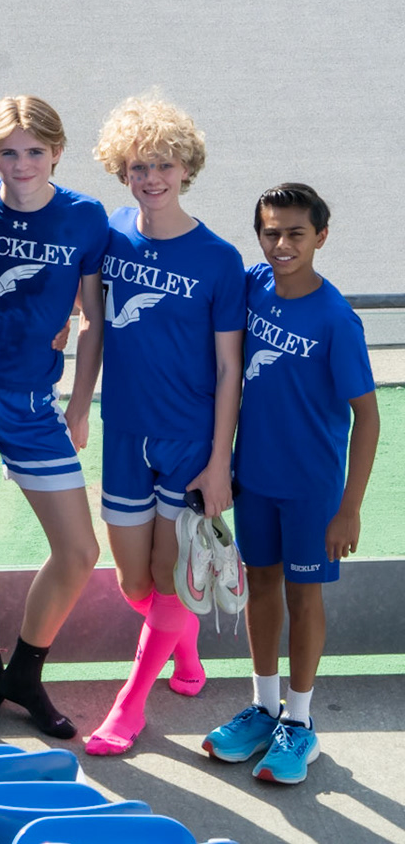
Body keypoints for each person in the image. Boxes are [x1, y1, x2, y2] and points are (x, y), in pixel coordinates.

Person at [0, 100, 109, 741]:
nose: (22, 165)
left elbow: (91, 319)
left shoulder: (84, 217)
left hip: (34, 404)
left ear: (57, 152)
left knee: (80, 550)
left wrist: (79, 403)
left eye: (35, 151)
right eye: (8, 153)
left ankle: (24, 672)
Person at [85, 95, 245, 756]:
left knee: (172, 575)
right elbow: (90, 320)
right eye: (138, 166)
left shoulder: (219, 259)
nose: (151, 178)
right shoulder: (111, 233)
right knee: (134, 583)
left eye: (163, 165)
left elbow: (230, 369)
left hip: (189, 441)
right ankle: (185, 647)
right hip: (125, 432)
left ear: (186, 169)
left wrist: (218, 462)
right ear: (122, 170)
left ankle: (130, 705)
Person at [204, 184, 378, 785]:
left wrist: (350, 508)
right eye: (270, 232)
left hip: (311, 491)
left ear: (321, 237)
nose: (281, 244)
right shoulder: (254, 284)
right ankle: (264, 708)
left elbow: (368, 417)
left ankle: (299, 724)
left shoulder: (336, 319)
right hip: (254, 479)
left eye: (295, 233)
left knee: (304, 598)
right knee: (261, 586)